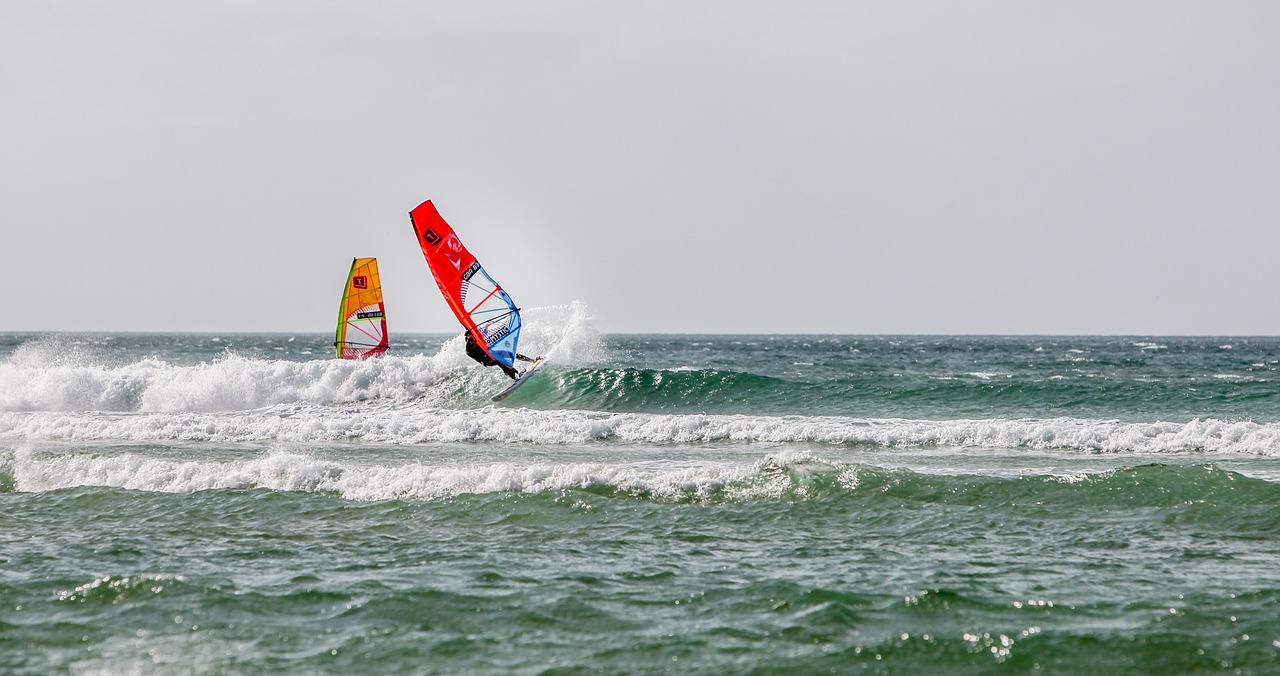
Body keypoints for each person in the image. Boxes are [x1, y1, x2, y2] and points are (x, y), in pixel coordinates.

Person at [464, 331, 538, 379]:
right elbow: (473, 350)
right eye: (470, 338)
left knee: (511, 354)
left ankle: (533, 360)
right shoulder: (469, 350)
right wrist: (469, 338)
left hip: (490, 354)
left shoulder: (477, 340)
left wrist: (486, 328)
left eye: (472, 337)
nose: (473, 339)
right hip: (486, 360)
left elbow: (483, 334)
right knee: (499, 361)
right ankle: (517, 374)